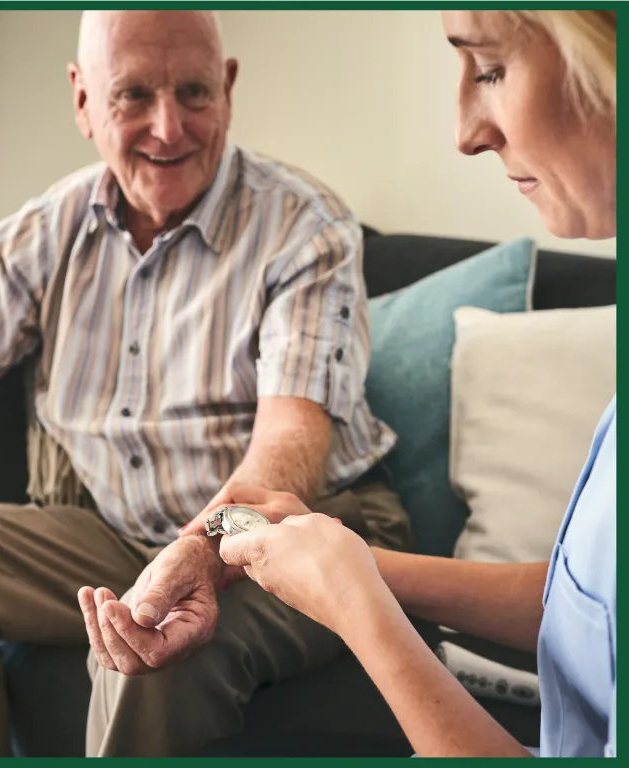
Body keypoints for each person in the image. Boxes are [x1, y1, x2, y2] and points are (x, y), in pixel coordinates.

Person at [0, 10, 412, 759]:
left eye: (194, 92)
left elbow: (290, 448)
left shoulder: (302, 224)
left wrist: (197, 555)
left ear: (227, 88)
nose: (169, 128)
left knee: (155, 642)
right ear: (83, 99)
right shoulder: (51, 227)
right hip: (115, 533)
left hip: (286, 531)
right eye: (132, 97)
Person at [212, 10, 616, 758]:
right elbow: (590, 611)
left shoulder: (299, 221)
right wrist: (352, 561)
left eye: (490, 70)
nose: (467, 131)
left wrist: (357, 604)